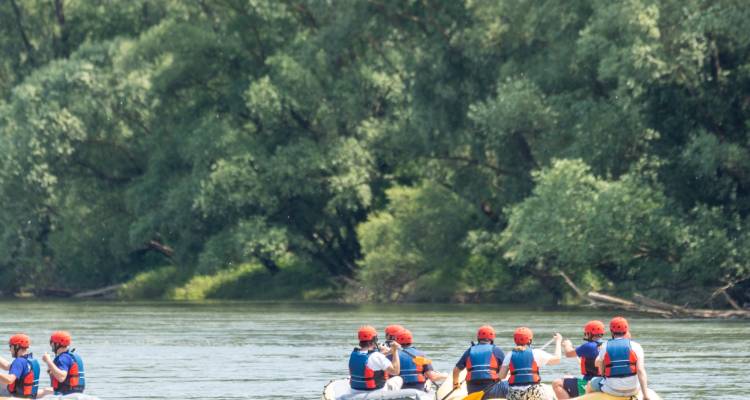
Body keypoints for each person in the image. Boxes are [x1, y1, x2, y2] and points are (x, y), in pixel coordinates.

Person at [587, 317, 650, 400]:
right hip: (633, 390)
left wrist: (602, 373)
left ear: (611, 331)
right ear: (627, 330)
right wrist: (645, 395)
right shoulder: (636, 346)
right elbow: (641, 370)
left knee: (590, 383)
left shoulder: (605, 346)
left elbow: (597, 363)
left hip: (612, 390)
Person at [497, 327, 562, 400]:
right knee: (549, 388)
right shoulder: (536, 353)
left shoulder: (510, 355)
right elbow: (557, 359)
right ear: (530, 340)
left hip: (515, 395)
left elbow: (501, 376)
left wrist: (511, 372)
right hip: (533, 393)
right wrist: (558, 341)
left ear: (515, 341)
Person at [452, 325, 508, 399]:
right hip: (491, 389)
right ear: (492, 338)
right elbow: (502, 373)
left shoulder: (470, 351)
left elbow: (456, 370)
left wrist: (455, 383)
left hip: (472, 390)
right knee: (512, 386)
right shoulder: (496, 350)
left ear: (478, 338)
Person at [552, 320, 605, 399]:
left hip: (589, 384)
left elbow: (568, 353)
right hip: (602, 382)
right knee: (568, 376)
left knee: (557, 383)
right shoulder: (605, 345)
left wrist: (567, 344)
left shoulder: (589, 346)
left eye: (586, 333)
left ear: (589, 333)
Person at [348, 325, 403, 393]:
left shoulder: (354, 353)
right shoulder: (376, 356)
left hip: (354, 391)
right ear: (375, 339)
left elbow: (370, 358)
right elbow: (395, 371)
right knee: (398, 379)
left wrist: (387, 352)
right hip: (374, 392)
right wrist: (395, 351)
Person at [40, 331, 85, 396]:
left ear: (57, 344)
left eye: (52, 343)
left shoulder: (63, 358)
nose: (51, 345)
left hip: (66, 394)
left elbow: (61, 377)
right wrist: (51, 370)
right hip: (76, 392)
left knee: (43, 392)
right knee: (47, 390)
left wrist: (48, 360)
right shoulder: (73, 356)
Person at [0, 334, 40, 399]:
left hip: (17, 397)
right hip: (30, 397)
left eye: (11, 346)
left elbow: (10, 380)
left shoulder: (19, 361)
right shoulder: (30, 360)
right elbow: (6, 366)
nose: (10, 350)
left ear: (17, 346)